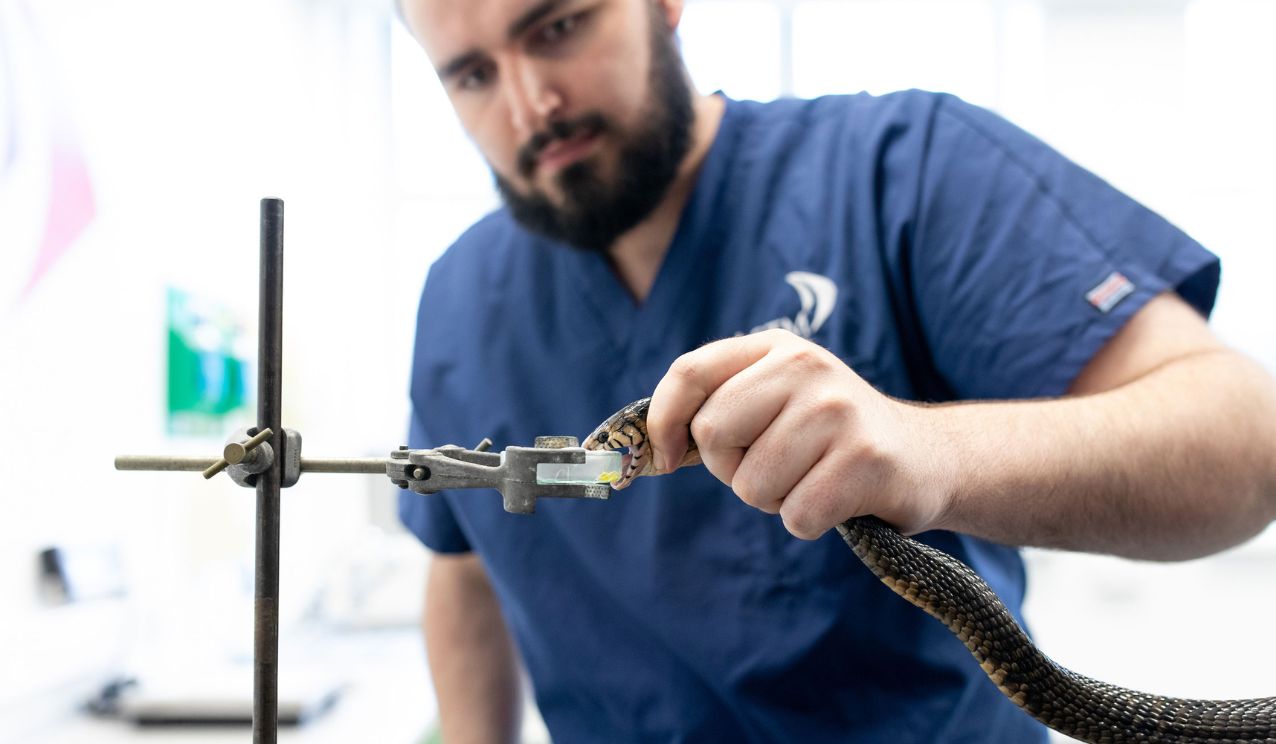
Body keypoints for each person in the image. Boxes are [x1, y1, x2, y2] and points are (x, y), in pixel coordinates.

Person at [394, 0, 1276, 741]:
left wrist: (926, 452)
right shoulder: (460, 295)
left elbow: (1247, 440)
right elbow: (465, 566)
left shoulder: (906, 166)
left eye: (557, 27)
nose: (530, 103)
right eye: (472, 74)